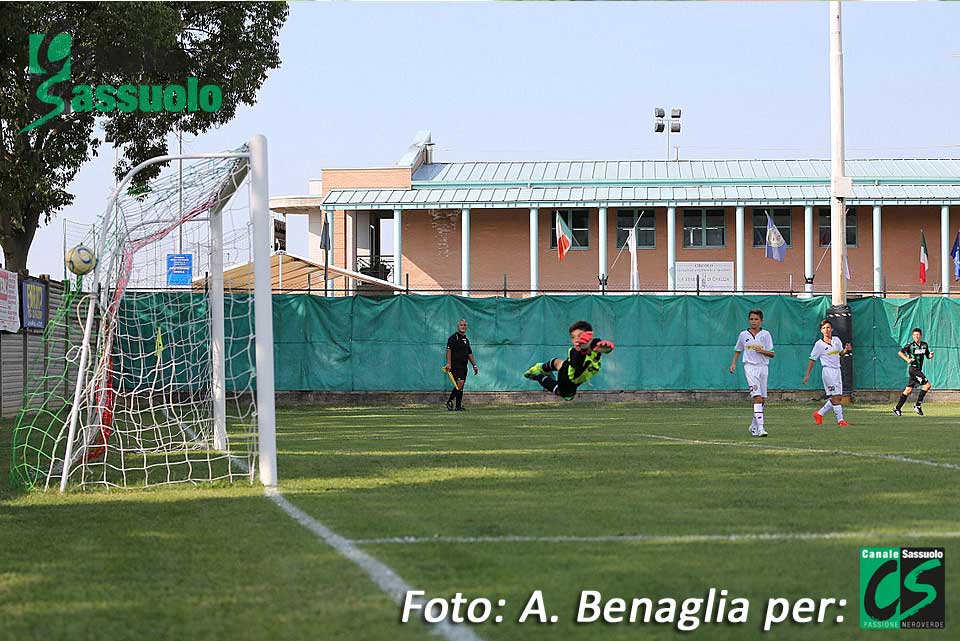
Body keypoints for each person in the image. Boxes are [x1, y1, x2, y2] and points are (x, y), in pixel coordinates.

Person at [523, 320, 614, 401]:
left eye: (580, 336)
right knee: (563, 393)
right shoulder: (575, 352)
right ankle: (537, 374)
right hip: (569, 379)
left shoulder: (595, 344)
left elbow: (599, 345)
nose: (576, 340)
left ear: (589, 336)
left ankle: (541, 367)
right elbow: (576, 363)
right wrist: (583, 350)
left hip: (569, 367)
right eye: (573, 337)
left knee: (558, 363)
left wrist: (606, 349)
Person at [729, 309, 775, 437]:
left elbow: (772, 353)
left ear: (761, 321)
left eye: (756, 319)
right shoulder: (743, 335)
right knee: (757, 397)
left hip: (763, 367)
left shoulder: (766, 335)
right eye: (751, 319)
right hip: (750, 367)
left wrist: (762, 351)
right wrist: (733, 364)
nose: (753, 321)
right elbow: (738, 350)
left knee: (763, 399)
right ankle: (761, 428)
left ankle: (753, 426)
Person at [803, 319, 853, 426]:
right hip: (828, 371)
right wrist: (807, 374)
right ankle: (840, 421)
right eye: (824, 328)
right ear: (821, 330)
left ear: (832, 329)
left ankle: (819, 414)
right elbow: (812, 359)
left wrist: (846, 350)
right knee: (835, 396)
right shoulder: (819, 344)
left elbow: (840, 353)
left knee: (838, 397)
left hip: (837, 370)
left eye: (828, 327)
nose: (826, 330)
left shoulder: (836, 340)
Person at [893, 327, 935, 416]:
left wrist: (930, 355)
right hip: (913, 369)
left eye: (918, 335)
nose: (916, 336)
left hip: (918, 370)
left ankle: (897, 408)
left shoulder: (924, 345)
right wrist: (907, 359)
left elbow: (927, 355)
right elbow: (900, 352)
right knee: (927, 385)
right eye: (914, 335)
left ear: (921, 336)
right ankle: (917, 405)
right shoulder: (910, 345)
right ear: (912, 336)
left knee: (908, 390)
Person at [444, 319, 478, 411]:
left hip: (464, 366)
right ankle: (449, 401)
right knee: (460, 383)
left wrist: (474, 365)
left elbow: (469, 353)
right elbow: (448, 350)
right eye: (461, 325)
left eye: (464, 325)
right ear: (458, 326)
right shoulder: (453, 338)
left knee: (461, 386)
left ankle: (458, 407)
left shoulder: (466, 340)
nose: (463, 327)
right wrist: (449, 363)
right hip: (455, 365)